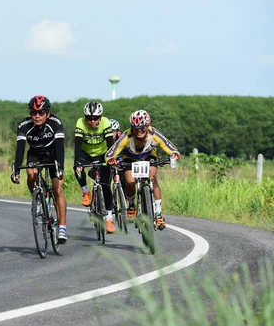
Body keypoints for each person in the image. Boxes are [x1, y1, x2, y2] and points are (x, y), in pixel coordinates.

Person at [105, 109, 180, 230]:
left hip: (148, 157)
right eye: (135, 128)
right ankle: (131, 206)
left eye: (142, 128)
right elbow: (111, 153)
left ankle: (158, 214)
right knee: (130, 182)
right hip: (130, 158)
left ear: (147, 126)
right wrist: (110, 160)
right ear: (131, 127)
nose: (139, 131)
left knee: (153, 179)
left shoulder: (154, 133)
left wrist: (174, 154)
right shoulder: (126, 136)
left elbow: (168, 145)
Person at [11, 95, 68, 243]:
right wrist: (16, 170)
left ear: (47, 114)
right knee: (30, 174)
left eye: (41, 113)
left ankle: (62, 227)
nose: (37, 116)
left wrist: (60, 168)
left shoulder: (55, 123)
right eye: (34, 113)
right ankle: (38, 197)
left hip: (53, 154)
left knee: (58, 189)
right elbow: (20, 149)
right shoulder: (24, 126)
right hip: (35, 154)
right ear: (30, 113)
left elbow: (60, 147)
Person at [73, 101, 116, 233]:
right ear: (85, 117)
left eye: (95, 118)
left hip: (102, 153)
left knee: (105, 184)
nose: (92, 121)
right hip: (86, 152)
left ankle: (109, 218)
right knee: (77, 167)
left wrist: (112, 158)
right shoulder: (80, 122)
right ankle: (86, 191)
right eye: (89, 118)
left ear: (100, 116)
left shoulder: (106, 122)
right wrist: (78, 162)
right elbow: (78, 145)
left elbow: (110, 143)